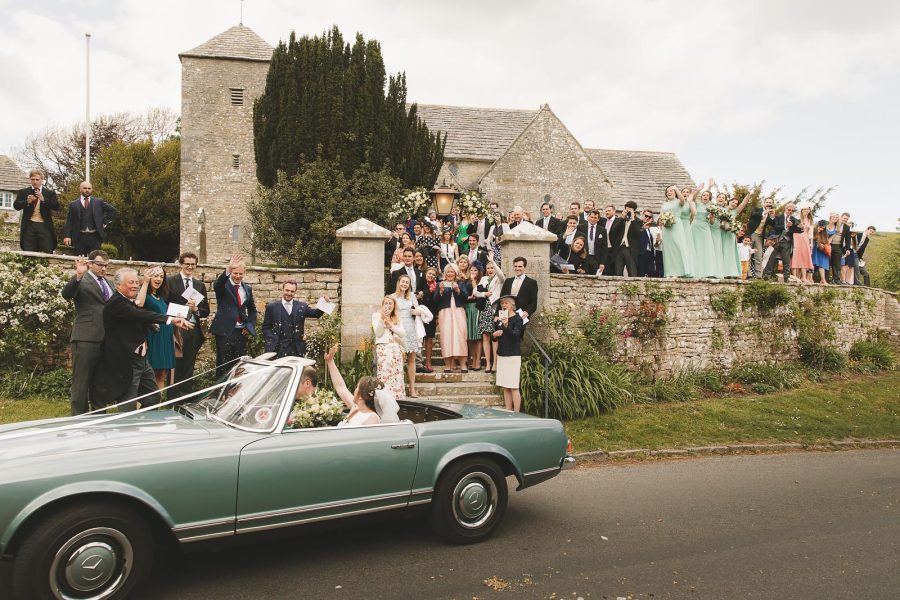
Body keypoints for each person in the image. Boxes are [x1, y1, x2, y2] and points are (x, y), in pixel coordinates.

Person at [93, 268, 193, 411]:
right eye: (130, 283)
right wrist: (170, 320)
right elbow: (139, 314)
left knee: (153, 396)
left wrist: (151, 326)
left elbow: (137, 317)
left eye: (136, 282)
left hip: (142, 359)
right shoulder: (117, 303)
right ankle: (127, 428)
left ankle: (146, 424)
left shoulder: (128, 301)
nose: (135, 285)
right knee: (129, 400)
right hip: (127, 360)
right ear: (118, 285)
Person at [61, 250, 113, 415]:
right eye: (100, 265)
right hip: (86, 337)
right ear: (90, 264)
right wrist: (78, 275)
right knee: (81, 382)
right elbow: (66, 294)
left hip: (106, 339)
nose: (103, 268)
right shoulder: (82, 280)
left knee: (100, 383)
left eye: (106, 265)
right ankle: (79, 419)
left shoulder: (110, 283)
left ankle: (99, 417)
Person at [166, 252, 209, 399]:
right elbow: (164, 305)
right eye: (187, 264)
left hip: (193, 330)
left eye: (193, 264)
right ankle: (172, 398)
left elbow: (206, 311)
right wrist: (181, 309)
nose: (190, 267)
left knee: (189, 365)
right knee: (175, 365)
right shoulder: (170, 281)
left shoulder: (199, 285)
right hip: (176, 329)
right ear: (181, 264)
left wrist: (196, 309)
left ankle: (186, 398)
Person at [210, 255, 258, 378]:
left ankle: (235, 394)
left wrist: (249, 325)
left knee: (239, 366)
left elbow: (252, 310)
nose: (238, 276)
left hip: (241, 332)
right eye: (235, 273)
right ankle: (221, 393)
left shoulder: (247, 289)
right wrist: (228, 268)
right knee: (223, 366)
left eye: (241, 274)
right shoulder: (223, 286)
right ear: (231, 272)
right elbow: (217, 285)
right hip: (225, 332)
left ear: (244, 273)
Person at [135, 265, 175, 392]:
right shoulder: (144, 294)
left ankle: (156, 406)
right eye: (155, 276)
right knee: (148, 375)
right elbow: (139, 304)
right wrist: (145, 282)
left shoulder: (161, 297)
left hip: (165, 337)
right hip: (152, 337)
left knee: (161, 374)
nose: (158, 279)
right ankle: (141, 407)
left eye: (161, 276)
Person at [262, 280, 326, 358]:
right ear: (282, 290)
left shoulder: (302, 306)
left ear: (295, 292)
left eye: (292, 291)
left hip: (296, 349)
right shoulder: (271, 307)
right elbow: (266, 327)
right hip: (277, 349)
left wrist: (325, 303)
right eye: (287, 290)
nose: (289, 293)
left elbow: (316, 314)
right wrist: (271, 340)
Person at [324, 345, 382, 427]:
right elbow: (341, 387)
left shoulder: (372, 417)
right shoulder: (356, 407)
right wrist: (330, 362)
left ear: (361, 396)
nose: (355, 390)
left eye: (357, 387)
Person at [62, 181, 119, 256]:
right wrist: (67, 236)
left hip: (95, 237)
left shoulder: (98, 202)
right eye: (85, 188)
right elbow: (69, 221)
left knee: (95, 260)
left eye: (89, 188)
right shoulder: (73, 204)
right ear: (80, 189)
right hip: (79, 237)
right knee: (80, 260)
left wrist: (104, 222)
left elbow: (113, 211)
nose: (87, 190)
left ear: (92, 190)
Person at [392, 274, 424, 397]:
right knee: (397, 358)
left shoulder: (411, 296)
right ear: (398, 282)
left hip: (410, 329)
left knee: (411, 359)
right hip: (398, 329)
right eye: (403, 281)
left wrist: (417, 312)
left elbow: (418, 310)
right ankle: (398, 388)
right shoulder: (392, 297)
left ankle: (412, 389)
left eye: (407, 283)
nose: (405, 284)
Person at [434, 263, 470, 372]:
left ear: (455, 273)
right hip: (445, 312)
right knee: (446, 337)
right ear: (445, 273)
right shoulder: (440, 283)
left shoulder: (461, 283)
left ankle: (463, 364)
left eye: (452, 271)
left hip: (459, 311)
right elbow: (435, 300)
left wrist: (458, 289)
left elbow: (466, 296)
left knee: (461, 336)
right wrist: (440, 291)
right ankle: (448, 365)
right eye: (448, 272)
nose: (450, 273)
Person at [14, 168, 59, 253]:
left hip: (44, 225)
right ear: (30, 180)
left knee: (47, 250)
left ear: (42, 180)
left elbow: (56, 206)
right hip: (29, 225)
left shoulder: (49, 193)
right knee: (28, 252)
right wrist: (26, 202)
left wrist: (44, 199)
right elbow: (16, 206)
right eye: (33, 179)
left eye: (37, 179)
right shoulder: (23, 192)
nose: (35, 182)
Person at [492, 295, 524, 412]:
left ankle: (516, 413)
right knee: (505, 386)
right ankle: (508, 411)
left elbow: (516, 336)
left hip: (513, 356)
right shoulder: (500, 319)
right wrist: (494, 335)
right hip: (502, 354)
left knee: (514, 386)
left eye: (506, 303)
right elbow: (495, 337)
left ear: (512, 305)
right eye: (502, 304)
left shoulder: (518, 319)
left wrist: (506, 326)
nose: (503, 306)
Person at [475, 257, 505, 373]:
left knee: (495, 337)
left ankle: (495, 364)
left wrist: (492, 261)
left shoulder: (499, 279)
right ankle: (488, 363)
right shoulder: (483, 279)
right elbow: (475, 292)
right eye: (488, 268)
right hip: (484, 310)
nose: (490, 269)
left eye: (492, 267)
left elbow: (501, 274)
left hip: (495, 310)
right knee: (485, 337)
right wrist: (484, 294)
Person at [372, 295, 406, 399]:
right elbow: (378, 333)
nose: (387, 305)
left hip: (395, 349)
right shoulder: (376, 316)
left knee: (396, 375)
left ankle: (398, 399)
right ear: (382, 305)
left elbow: (403, 334)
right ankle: (384, 399)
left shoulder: (397, 318)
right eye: (385, 303)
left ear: (394, 306)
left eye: (390, 303)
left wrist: (391, 325)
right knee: (384, 374)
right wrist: (382, 320)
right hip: (383, 349)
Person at [661, 185, 696, 278]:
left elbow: (683, 200)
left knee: (678, 248)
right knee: (668, 249)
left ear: (675, 192)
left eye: (671, 191)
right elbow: (661, 215)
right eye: (667, 191)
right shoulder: (664, 204)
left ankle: (679, 272)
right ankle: (670, 273)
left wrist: (676, 188)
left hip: (676, 225)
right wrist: (662, 222)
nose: (669, 192)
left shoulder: (679, 202)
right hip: (666, 227)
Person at [763, 203, 803, 281]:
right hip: (776, 240)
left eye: (792, 210)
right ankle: (766, 276)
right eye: (789, 210)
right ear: (786, 209)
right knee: (771, 259)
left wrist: (799, 227)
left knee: (786, 261)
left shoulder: (794, 220)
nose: (790, 211)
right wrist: (785, 226)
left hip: (787, 242)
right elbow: (775, 227)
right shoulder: (778, 217)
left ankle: (786, 278)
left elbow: (799, 230)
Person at [499, 256, 538, 323]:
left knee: (518, 333)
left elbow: (533, 303)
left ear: (524, 267)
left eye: (520, 266)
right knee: (505, 333)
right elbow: (501, 298)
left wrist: (527, 312)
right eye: (515, 266)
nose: (517, 268)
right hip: (506, 314)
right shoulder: (508, 281)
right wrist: (498, 315)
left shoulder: (531, 282)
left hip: (521, 315)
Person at [691, 189, 719, 278]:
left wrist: (711, 216)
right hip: (695, 226)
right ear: (701, 196)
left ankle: (707, 271)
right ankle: (693, 270)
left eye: (707, 195)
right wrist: (699, 189)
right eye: (703, 195)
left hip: (705, 227)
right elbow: (693, 198)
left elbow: (712, 222)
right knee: (695, 246)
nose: (705, 196)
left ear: (709, 197)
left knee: (706, 248)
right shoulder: (697, 203)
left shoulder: (712, 207)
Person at [746, 197, 775, 278]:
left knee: (758, 256)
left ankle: (758, 275)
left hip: (760, 236)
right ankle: (748, 274)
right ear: (764, 203)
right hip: (751, 234)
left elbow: (773, 224)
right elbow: (753, 215)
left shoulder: (770, 215)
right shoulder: (756, 209)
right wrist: (764, 212)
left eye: (770, 202)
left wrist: (772, 217)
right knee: (747, 254)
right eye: (767, 202)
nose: (769, 203)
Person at [724, 192, 750, 278]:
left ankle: (730, 272)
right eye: (733, 202)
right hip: (721, 232)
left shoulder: (735, 211)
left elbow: (744, 203)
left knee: (730, 252)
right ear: (729, 201)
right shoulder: (722, 209)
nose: (734, 204)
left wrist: (748, 194)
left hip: (730, 233)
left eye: (736, 203)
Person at [465, 264, 484, 370]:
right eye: (471, 270)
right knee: (470, 336)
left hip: (477, 308)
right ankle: (473, 359)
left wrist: (473, 281)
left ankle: (478, 360)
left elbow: (478, 293)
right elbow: (464, 296)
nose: (473, 272)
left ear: (479, 271)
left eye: (475, 270)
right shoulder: (465, 282)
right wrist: (469, 297)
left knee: (477, 336)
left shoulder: (481, 281)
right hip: (468, 308)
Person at [421, 267, 440, 373]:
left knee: (429, 339)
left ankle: (428, 362)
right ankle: (418, 361)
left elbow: (437, 302)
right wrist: (427, 291)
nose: (431, 275)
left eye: (433, 274)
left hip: (431, 315)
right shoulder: (420, 283)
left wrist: (437, 316)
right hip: (420, 313)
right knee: (420, 338)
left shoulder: (437, 286)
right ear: (425, 273)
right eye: (429, 273)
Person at [576, 209, 608, 274]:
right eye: (592, 217)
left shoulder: (603, 230)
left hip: (596, 259)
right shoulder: (580, 227)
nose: (593, 219)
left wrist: (602, 263)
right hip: (583, 257)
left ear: (598, 219)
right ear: (588, 217)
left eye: (595, 218)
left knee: (595, 279)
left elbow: (604, 248)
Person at [791, 205, 815, 284]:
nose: (806, 211)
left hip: (805, 238)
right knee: (796, 256)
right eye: (804, 209)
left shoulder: (810, 220)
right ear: (801, 210)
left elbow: (811, 233)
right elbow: (792, 229)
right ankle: (794, 276)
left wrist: (811, 242)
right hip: (796, 237)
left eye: (807, 209)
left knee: (804, 256)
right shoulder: (797, 218)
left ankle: (804, 277)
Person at [637, 210, 659, 277]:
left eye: (649, 217)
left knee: (651, 273)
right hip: (641, 253)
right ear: (642, 215)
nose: (647, 218)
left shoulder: (649, 229)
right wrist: (642, 227)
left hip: (650, 253)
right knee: (641, 274)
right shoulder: (638, 224)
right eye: (646, 216)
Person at [811, 220, 831, 285]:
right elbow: (811, 238)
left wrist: (823, 245)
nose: (821, 229)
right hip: (814, 248)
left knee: (822, 264)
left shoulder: (824, 233)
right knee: (812, 263)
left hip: (821, 250)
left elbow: (827, 241)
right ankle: (810, 278)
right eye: (820, 227)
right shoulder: (813, 230)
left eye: (823, 228)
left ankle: (823, 280)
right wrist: (817, 241)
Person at [826, 213, 844, 284]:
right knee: (827, 262)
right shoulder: (826, 224)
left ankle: (836, 279)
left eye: (836, 217)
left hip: (836, 245)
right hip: (826, 244)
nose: (835, 218)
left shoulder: (837, 226)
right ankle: (826, 279)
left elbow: (833, 236)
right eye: (834, 217)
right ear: (830, 217)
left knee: (836, 263)